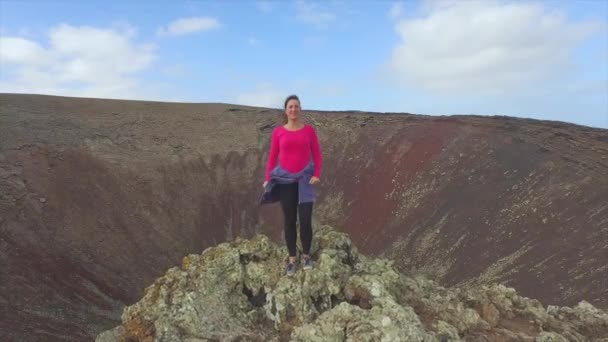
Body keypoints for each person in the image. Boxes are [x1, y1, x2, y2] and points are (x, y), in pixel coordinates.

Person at [262, 94, 322, 277]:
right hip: (286, 181)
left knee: (305, 221)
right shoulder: (278, 132)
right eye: (290, 106)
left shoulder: (309, 131)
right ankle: (291, 260)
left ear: (300, 108)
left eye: (296, 106)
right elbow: (272, 157)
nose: (294, 109)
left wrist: (316, 174)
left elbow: (317, 155)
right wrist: (267, 178)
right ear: (285, 110)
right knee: (289, 221)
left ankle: (306, 256)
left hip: (305, 180)